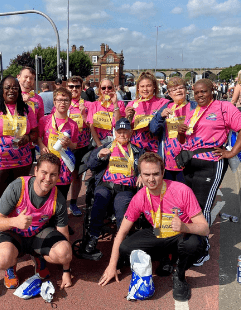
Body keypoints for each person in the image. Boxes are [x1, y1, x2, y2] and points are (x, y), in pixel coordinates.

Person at [98, 152, 209, 302]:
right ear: (140, 176)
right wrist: (112, 265)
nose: (151, 179)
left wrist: (184, 227)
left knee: (194, 244)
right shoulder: (140, 197)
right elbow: (122, 232)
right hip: (158, 233)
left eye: (156, 174)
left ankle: (180, 276)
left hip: (181, 234)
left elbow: (205, 228)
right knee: (125, 247)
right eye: (146, 174)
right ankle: (166, 257)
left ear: (163, 172)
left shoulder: (182, 190)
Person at [177, 78, 241, 266]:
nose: (200, 95)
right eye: (196, 92)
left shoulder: (223, 107)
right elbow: (184, 140)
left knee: (203, 208)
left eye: (204, 91)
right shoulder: (194, 112)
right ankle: (191, 242)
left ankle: (203, 249)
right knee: (189, 207)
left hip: (211, 163)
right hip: (191, 163)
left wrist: (232, 152)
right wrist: (180, 132)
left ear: (212, 91)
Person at [0, 153, 72, 290]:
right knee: (2, 259)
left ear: (58, 176)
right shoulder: (17, 187)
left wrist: (66, 271)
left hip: (39, 234)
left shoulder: (58, 197)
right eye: (44, 173)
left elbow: (64, 233)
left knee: (65, 252)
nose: (48, 179)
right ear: (36, 171)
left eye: (53, 174)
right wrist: (15, 221)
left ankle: (39, 256)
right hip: (13, 233)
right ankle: (10, 267)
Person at [0, 75, 38, 255]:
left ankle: (15, 231)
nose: (11, 91)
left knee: (20, 198)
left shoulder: (26, 109)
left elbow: (35, 133)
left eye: (15, 88)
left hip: (22, 160)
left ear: (19, 91)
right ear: (1, 90)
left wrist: (28, 138)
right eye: (7, 87)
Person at [83, 118, 144, 259]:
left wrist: (141, 174)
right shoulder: (105, 147)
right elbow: (91, 165)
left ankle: (124, 243)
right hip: (106, 185)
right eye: (119, 132)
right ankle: (92, 237)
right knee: (99, 199)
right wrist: (99, 156)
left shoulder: (137, 151)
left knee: (122, 206)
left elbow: (145, 167)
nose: (122, 135)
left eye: (125, 132)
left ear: (131, 132)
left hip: (125, 188)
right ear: (115, 132)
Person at [37, 87, 79, 202]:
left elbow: (74, 145)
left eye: (66, 100)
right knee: (44, 194)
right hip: (48, 163)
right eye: (59, 100)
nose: (62, 103)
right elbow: (37, 137)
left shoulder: (73, 124)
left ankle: (59, 219)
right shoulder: (44, 120)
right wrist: (41, 146)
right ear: (54, 102)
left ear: (70, 103)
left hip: (63, 165)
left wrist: (69, 143)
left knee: (61, 197)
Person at [150, 77, 189, 183]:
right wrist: (160, 117)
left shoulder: (193, 107)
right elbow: (153, 129)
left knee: (184, 192)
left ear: (186, 90)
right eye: (174, 89)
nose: (178, 91)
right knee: (169, 192)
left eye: (181, 87)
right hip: (167, 161)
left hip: (187, 160)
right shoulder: (165, 107)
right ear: (169, 94)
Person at [125, 71, 170, 153]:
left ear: (154, 87)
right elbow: (125, 129)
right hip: (135, 149)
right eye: (142, 86)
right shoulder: (132, 104)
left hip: (156, 150)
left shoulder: (164, 103)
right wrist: (127, 118)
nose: (145, 89)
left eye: (148, 86)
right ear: (138, 88)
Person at [66, 76, 91, 216]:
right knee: (62, 177)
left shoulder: (88, 105)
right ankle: (59, 203)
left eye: (77, 86)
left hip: (82, 147)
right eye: (71, 86)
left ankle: (74, 203)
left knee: (77, 176)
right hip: (66, 148)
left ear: (82, 88)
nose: (74, 89)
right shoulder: (62, 103)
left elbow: (92, 126)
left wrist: (83, 115)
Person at [87, 78, 126, 147]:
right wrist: (99, 145)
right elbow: (91, 127)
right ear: (100, 90)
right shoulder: (94, 105)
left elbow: (118, 123)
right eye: (103, 88)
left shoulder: (120, 104)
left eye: (109, 87)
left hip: (115, 142)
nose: (106, 90)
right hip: (98, 143)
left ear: (113, 89)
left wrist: (115, 103)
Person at [17, 67, 44, 160]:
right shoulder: (11, 96)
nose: (28, 80)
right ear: (18, 77)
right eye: (26, 77)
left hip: (30, 144)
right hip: (13, 143)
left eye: (31, 78)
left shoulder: (38, 99)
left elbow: (40, 122)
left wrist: (40, 143)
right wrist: (20, 102)